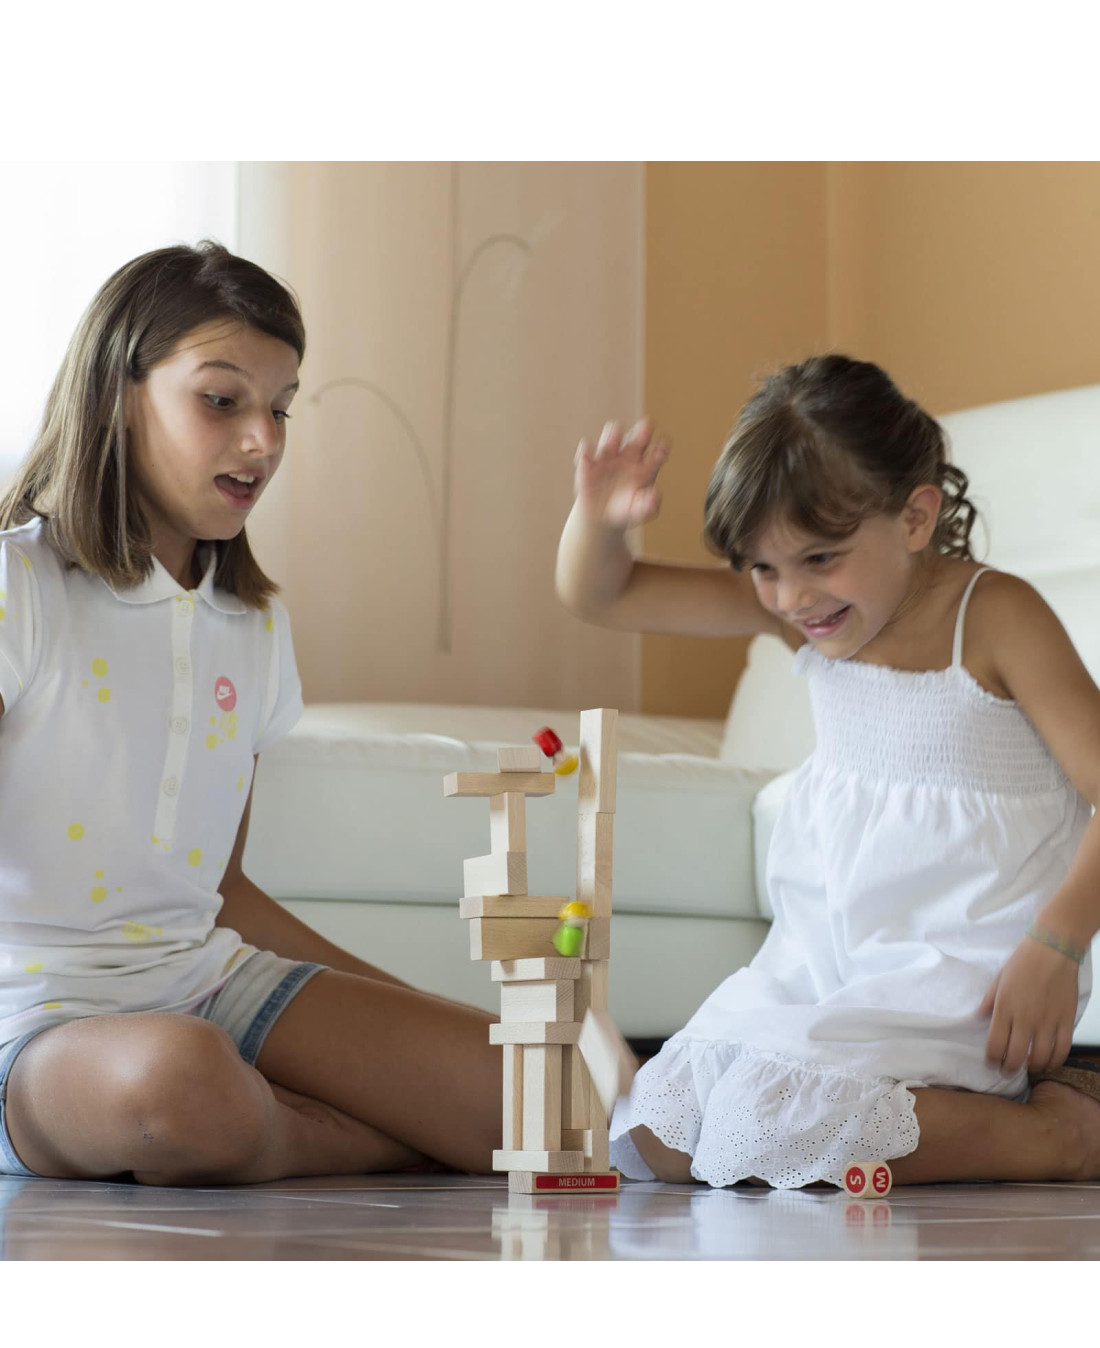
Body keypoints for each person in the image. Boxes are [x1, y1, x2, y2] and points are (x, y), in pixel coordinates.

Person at [0, 241, 500, 1186]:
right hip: (35, 1013)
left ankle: (265, 1126)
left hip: (206, 978)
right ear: (118, 395)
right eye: (221, 400)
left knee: (523, 1086)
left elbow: (224, 891)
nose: (262, 441)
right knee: (185, 1087)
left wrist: (422, 1022)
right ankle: (297, 1134)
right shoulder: (17, 585)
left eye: (281, 407)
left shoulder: (252, 622)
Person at [556, 354, 1100, 1189]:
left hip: (963, 972)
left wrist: (1056, 945)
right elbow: (603, 595)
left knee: (767, 1122)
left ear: (914, 517)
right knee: (659, 1128)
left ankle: (1059, 1138)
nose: (790, 597)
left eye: (820, 559)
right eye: (763, 568)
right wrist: (599, 520)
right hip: (820, 963)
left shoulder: (994, 616)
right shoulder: (801, 617)